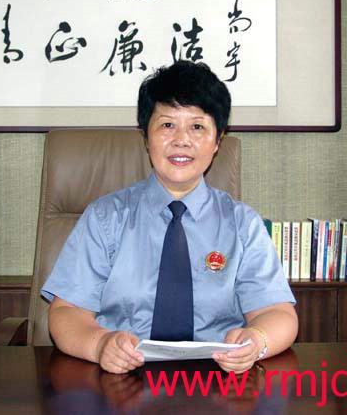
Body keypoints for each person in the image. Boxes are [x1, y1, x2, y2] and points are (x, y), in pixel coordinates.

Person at [42, 61, 298, 374]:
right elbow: (66, 311)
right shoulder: (105, 218)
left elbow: (278, 313)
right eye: (167, 125)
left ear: (218, 141)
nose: (181, 140)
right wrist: (100, 345)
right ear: (145, 137)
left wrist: (257, 340)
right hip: (120, 375)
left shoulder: (243, 224)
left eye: (197, 127)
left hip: (218, 378)